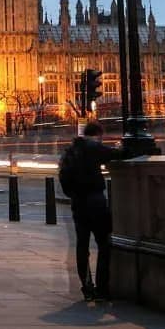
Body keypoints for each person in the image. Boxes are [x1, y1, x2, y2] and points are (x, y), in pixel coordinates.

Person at [62, 121, 126, 302]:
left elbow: (63, 179)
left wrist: (74, 194)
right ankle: (102, 288)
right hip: (96, 201)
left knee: (82, 246)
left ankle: (87, 286)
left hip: (78, 204)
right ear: (98, 134)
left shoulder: (70, 151)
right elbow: (117, 154)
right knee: (104, 244)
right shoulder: (94, 148)